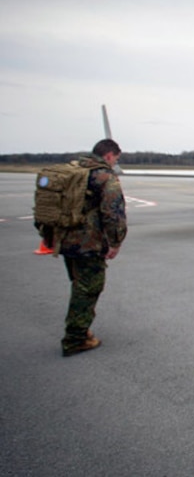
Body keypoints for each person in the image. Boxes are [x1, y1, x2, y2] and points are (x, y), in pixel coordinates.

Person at [44, 139, 128, 357]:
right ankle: (76, 338)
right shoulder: (104, 176)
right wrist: (116, 242)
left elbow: (48, 204)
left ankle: (80, 330)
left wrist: (48, 235)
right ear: (109, 155)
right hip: (88, 244)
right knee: (88, 289)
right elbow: (113, 213)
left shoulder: (73, 172)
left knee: (79, 285)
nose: (115, 163)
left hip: (65, 240)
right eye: (116, 158)